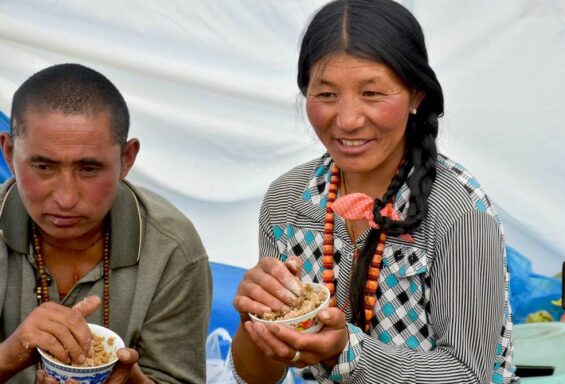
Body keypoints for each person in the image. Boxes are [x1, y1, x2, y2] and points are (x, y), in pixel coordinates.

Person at [231, 0, 517, 383]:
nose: (348, 120)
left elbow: (467, 374)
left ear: (416, 95)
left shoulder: (458, 210)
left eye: (372, 93)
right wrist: (253, 316)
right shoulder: (287, 202)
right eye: (327, 95)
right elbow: (260, 376)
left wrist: (344, 351)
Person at [0, 63, 212, 383]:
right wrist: (8, 357)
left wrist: (133, 381)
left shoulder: (171, 249)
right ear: (8, 153)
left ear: (127, 159)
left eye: (89, 169)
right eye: (43, 166)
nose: (67, 197)